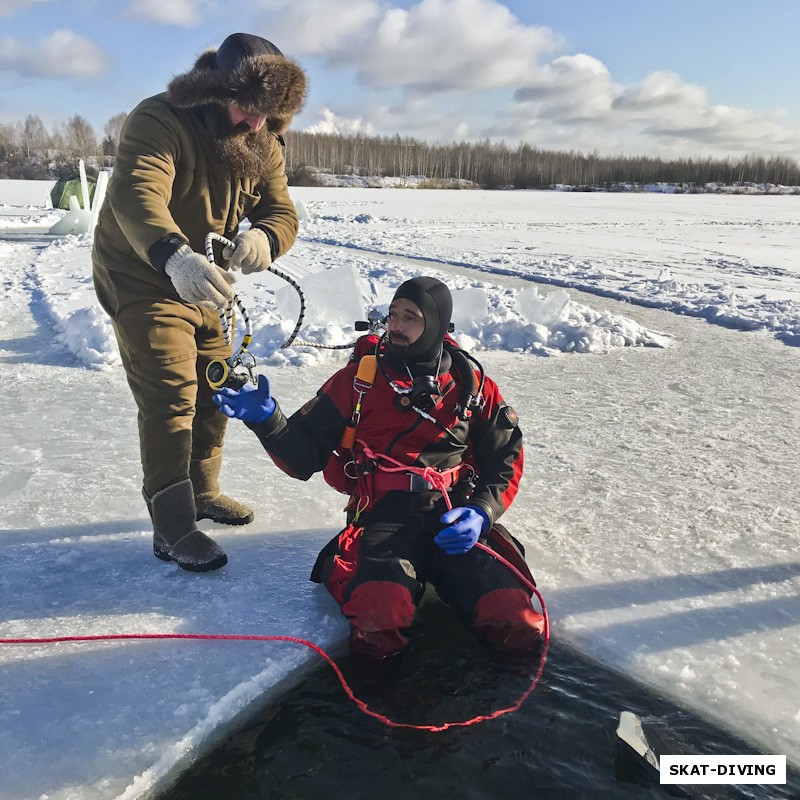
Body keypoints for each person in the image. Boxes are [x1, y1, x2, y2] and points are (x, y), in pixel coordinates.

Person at [213, 276, 545, 667]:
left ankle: (503, 713)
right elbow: (303, 458)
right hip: (385, 516)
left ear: (437, 325)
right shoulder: (358, 382)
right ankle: (382, 714)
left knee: (514, 618)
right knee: (379, 621)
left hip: (456, 516)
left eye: (411, 317)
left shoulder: (472, 386)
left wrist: (482, 512)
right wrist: (268, 420)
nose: (397, 326)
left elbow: (505, 457)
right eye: (393, 315)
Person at [92, 33, 307, 572]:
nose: (256, 123)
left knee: (216, 381)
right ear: (213, 92)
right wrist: (172, 256)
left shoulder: (265, 141)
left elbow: (282, 212)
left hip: (206, 279)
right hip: (142, 271)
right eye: (247, 108)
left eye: (269, 115)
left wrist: (263, 240)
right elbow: (135, 193)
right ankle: (172, 527)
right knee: (170, 391)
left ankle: (203, 490)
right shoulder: (159, 120)